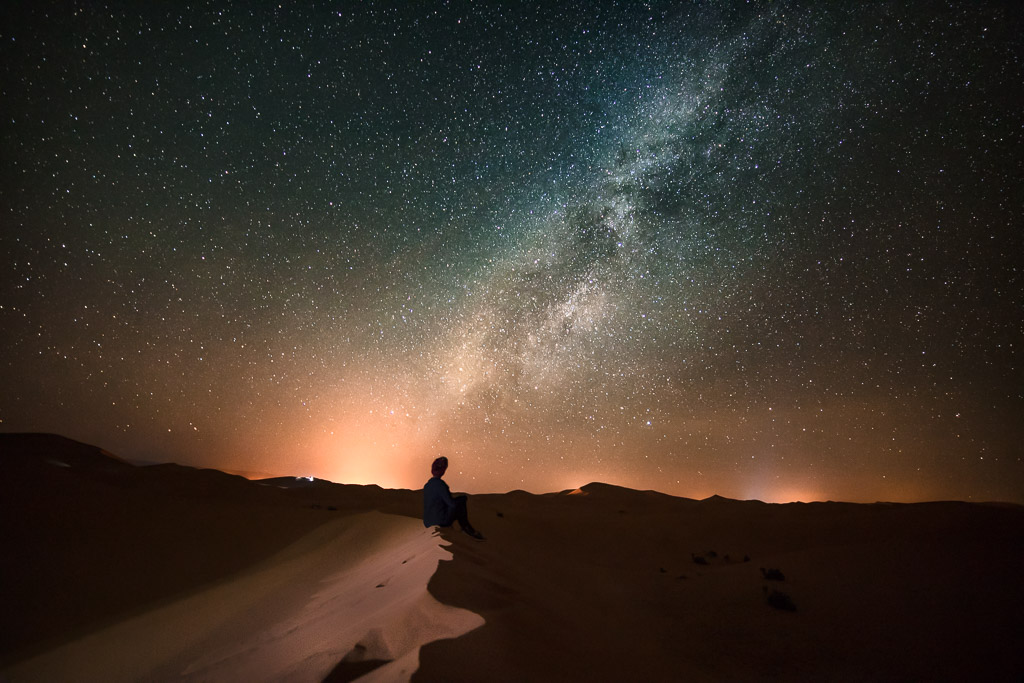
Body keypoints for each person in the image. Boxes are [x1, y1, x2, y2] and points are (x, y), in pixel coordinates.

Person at [423, 456, 484, 540]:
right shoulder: (440, 484)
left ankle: (465, 529)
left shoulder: (427, 485)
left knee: (456, 502)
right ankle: (467, 529)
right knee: (461, 501)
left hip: (428, 522)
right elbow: (451, 504)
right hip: (440, 521)